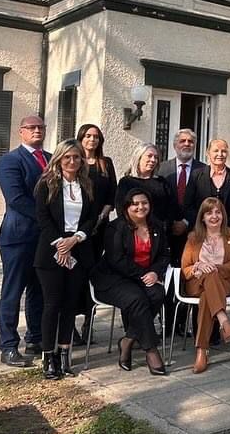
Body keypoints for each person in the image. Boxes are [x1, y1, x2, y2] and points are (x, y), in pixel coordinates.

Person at [33, 139, 97, 378]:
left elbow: (92, 218)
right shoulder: (46, 184)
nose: (72, 161)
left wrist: (76, 239)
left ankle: (64, 354)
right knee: (52, 305)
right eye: (67, 157)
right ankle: (48, 357)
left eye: (77, 157)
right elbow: (42, 217)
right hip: (51, 252)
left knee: (70, 305)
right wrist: (61, 245)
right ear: (59, 159)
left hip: (78, 248)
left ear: (82, 160)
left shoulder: (87, 185)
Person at [92, 189, 169, 374]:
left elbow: (165, 254)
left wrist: (155, 273)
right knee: (137, 299)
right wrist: (145, 275)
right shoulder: (115, 227)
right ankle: (151, 350)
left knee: (157, 293)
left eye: (144, 203)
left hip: (142, 278)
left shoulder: (156, 226)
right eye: (135, 204)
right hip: (113, 278)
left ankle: (127, 341)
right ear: (126, 207)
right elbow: (116, 259)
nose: (141, 207)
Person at [0, 114, 50, 367]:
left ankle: (36, 337)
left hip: (44, 238)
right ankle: (8, 346)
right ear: (21, 132)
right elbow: (16, 199)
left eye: (40, 127)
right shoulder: (10, 161)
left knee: (38, 290)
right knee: (13, 291)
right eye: (31, 127)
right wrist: (47, 220)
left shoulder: (51, 159)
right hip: (18, 237)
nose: (37, 131)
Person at [181, 198, 230, 374]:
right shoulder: (194, 237)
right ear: (202, 217)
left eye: (218, 212)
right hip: (196, 283)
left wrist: (214, 268)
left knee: (206, 294)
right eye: (209, 213)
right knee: (207, 277)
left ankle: (202, 351)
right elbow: (185, 269)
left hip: (225, 283)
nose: (214, 216)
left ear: (223, 215)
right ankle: (224, 321)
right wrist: (198, 266)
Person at [73, 123, 117, 346]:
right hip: (76, 229)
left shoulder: (105, 163)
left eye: (96, 137)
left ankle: (89, 323)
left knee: (93, 274)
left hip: (99, 229)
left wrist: (101, 217)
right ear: (81, 138)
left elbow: (112, 195)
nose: (92, 140)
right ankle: (70, 324)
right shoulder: (73, 161)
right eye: (88, 136)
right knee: (74, 275)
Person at [116, 143, 184, 246]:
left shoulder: (162, 182)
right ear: (138, 157)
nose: (153, 160)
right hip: (132, 236)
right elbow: (121, 209)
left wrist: (164, 226)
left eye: (156, 157)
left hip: (159, 236)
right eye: (149, 156)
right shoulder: (126, 182)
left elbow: (172, 208)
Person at [157, 129, 203, 264]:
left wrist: (186, 222)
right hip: (165, 232)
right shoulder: (161, 169)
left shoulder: (203, 170)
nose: (187, 144)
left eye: (191, 141)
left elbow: (202, 201)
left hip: (193, 231)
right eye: (183, 141)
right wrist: (171, 223)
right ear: (175, 145)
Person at [184, 138, 230, 228]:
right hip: (201, 231)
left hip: (227, 231)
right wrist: (203, 224)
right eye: (216, 151)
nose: (220, 154)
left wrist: (226, 224)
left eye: (223, 151)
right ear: (208, 153)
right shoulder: (196, 175)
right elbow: (188, 204)